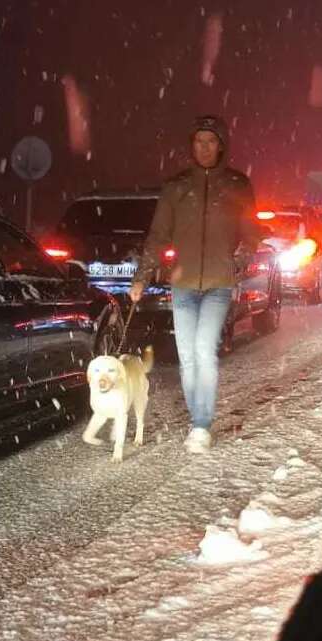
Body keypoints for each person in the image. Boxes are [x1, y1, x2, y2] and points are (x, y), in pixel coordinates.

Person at [128, 115, 260, 454]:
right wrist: (142, 276)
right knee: (187, 356)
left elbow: (251, 234)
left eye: (210, 141)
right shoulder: (176, 187)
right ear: (192, 145)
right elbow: (158, 236)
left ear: (220, 145)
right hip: (183, 284)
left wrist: (239, 261)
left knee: (204, 350)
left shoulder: (236, 185)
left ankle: (201, 426)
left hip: (218, 283)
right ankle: (196, 419)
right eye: (198, 141)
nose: (204, 147)